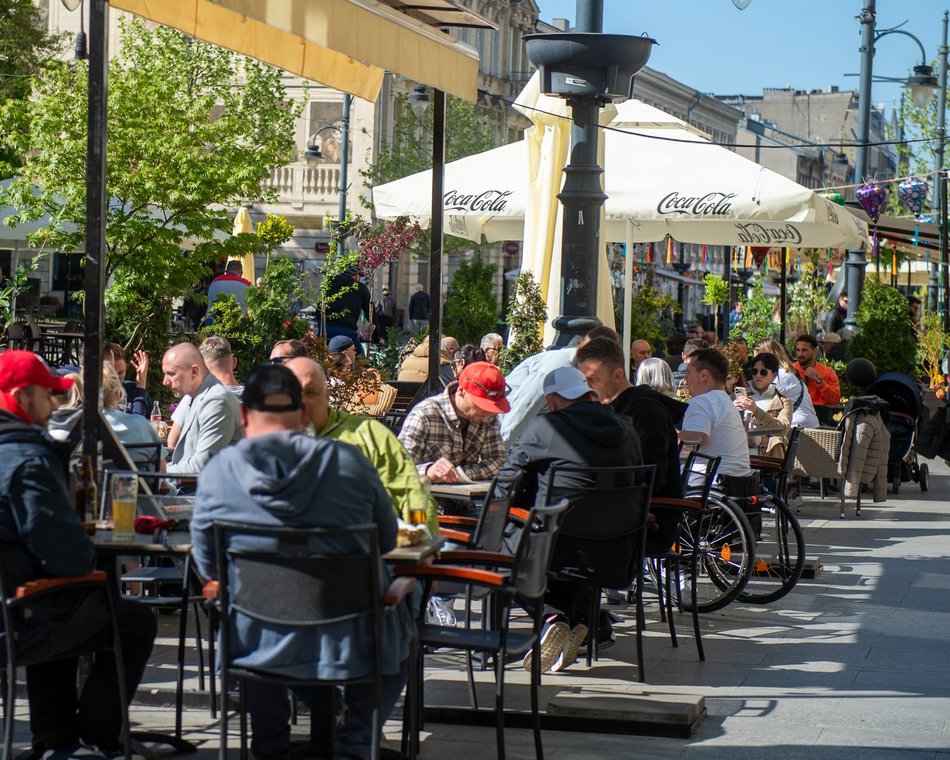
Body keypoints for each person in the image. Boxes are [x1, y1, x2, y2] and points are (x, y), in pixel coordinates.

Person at [191, 364, 412, 760]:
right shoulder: (349, 463)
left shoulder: (218, 474)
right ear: (303, 412)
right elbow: (388, 537)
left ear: (244, 416)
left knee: (252, 613)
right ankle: (357, 743)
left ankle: (269, 745)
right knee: (400, 624)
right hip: (350, 639)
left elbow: (207, 564)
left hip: (256, 643)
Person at [0, 350, 156, 759]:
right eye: (48, 395)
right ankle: (95, 735)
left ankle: (55, 737)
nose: (55, 404)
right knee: (133, 619)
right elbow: (68, 559)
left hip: (15, 605)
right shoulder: (28, 460)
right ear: (20, 396)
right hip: (22, 618)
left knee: (61, 599)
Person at [499, 366, 641, 672]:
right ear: (588, 394)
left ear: (551, 401)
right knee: (573, 541)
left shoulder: (547, 428)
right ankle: (571, 619)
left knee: (498, 544)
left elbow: (507, 478)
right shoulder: (626, 428)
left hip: (557, 544)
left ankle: (551, 616)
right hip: (616, 549)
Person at [286, 357, 436, 533]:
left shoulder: (369, 434)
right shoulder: (267, 439)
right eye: (293, 393)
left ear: (327, 396)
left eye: (311, 392)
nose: (302, 402)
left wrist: (421, 534)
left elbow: (412, 493)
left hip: (365, 549)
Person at [577, 338, 684, 502]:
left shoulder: (646, 411)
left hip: (649, 512)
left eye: (593, 379)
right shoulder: (615, 407)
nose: (586, 387)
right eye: (584, 380)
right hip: (619, 506)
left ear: (618, 375)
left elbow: (653, 477)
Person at [398, 361, 508, 485]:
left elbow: (498, 462)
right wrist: (429, 471)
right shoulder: (424, 415)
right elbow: (398, 469)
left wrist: (458, 474)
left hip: (468, 502)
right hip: (428, 500)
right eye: (481, 404)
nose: (487, 411)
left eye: (491, 407)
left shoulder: (488, 416)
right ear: (461, 391)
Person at [162, 342, 242, 474]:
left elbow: (202, 466)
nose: (165, 382)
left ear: (194, 372)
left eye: (171, 374)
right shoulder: (196, 396)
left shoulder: (216, 401)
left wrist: (160, 473)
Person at [679, 347, 752, 479]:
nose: (685, 378)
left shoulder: (702, 402)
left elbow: (698, 439)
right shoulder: (726, 402)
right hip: (736, 483)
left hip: (705, 487)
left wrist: (669, 434)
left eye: (689, 372)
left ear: (704, 375)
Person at [102, 362, 164, 469]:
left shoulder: (78, 424)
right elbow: (162, 470)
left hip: (95, 484)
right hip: (138, 485)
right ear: (119, 393)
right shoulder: (140, 424)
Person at [733, 352, 794, 459]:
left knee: (777, 441)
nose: (758, 375)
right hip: (737, 449)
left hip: (765, 455)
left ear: (774, 375)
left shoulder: (784, 402)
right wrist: (732, 409)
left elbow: (782, 429)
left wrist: (756, 410)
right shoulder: (738, 396)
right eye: (754, 371)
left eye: (763, 372)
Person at [754, 339, 820, 429]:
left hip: (800, 431)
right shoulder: (785, 372)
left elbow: (765, 403)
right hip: (798, 427)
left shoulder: (782, 375)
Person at [324, 266, 371, 356]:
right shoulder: (360, 287)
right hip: (347, 331)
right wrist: (375, 337)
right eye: (359, 276)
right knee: (359, 357)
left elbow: (320, 309)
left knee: (324, 357)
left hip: (326, 328)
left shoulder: (329, 284)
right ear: (355, 276)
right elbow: (370, 313)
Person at [793, 333, 841, 408]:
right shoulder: (790, 370)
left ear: (815, 351)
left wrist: (820, 381)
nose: (800, 354)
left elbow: (835, 401)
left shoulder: (828, 372)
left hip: (820, 415)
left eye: (804, 350)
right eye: (798, 350)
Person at [105, 342, 151, 418]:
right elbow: (138, 423)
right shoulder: (99, 395)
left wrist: (141, 386)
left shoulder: (132, 389)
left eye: (121, 372)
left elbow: (149, 420)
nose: (117, 378)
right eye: (112, 373)